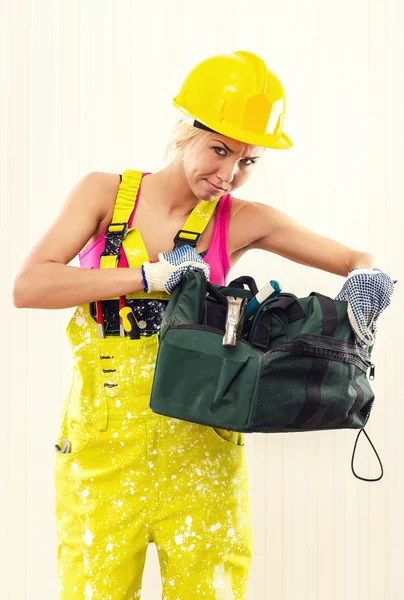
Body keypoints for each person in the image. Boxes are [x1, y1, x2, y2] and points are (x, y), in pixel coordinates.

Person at [12, 50, 395, 599]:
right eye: (219, 150)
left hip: (202, 452)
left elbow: (360, 257)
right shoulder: (103, 193)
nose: (229, 175)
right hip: (102, 452)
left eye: (248, 161)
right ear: (183, 133)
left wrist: (367, 281)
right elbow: (29, 286)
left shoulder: (241, 220)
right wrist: (147, 276)